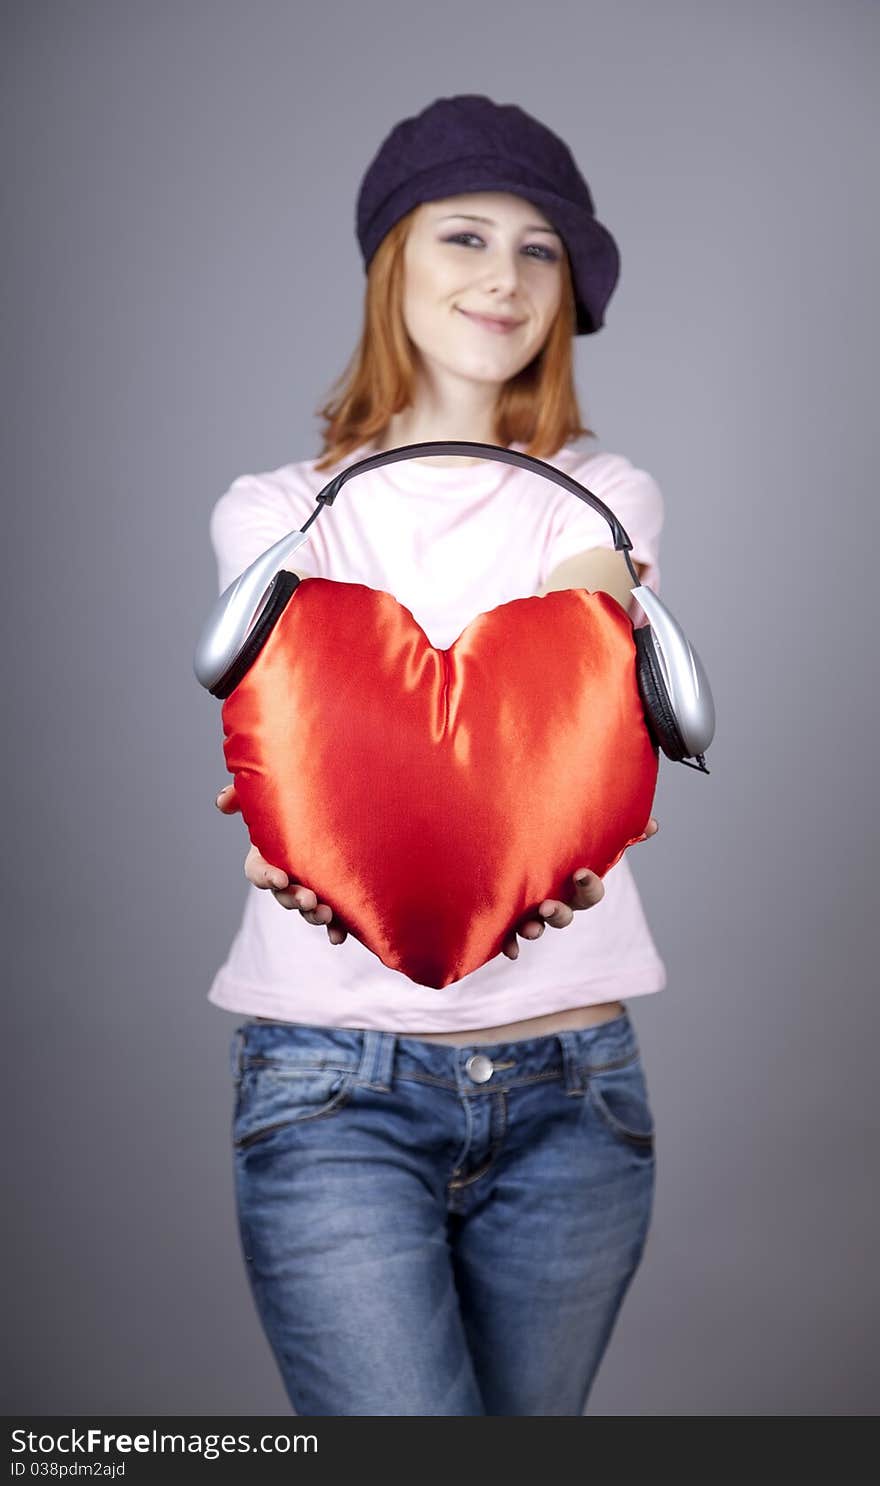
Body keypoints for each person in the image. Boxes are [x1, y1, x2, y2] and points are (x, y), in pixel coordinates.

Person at [208, 95, 666, 1416]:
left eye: (539, 249)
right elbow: (287, 730)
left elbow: (582, 665)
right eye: (466, 234)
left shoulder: (607, 494)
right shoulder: (273, 512)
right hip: (332, 1089)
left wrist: (545, 805)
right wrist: (295, 829)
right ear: (391, 260)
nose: (505, 276)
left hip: (576, 1092)